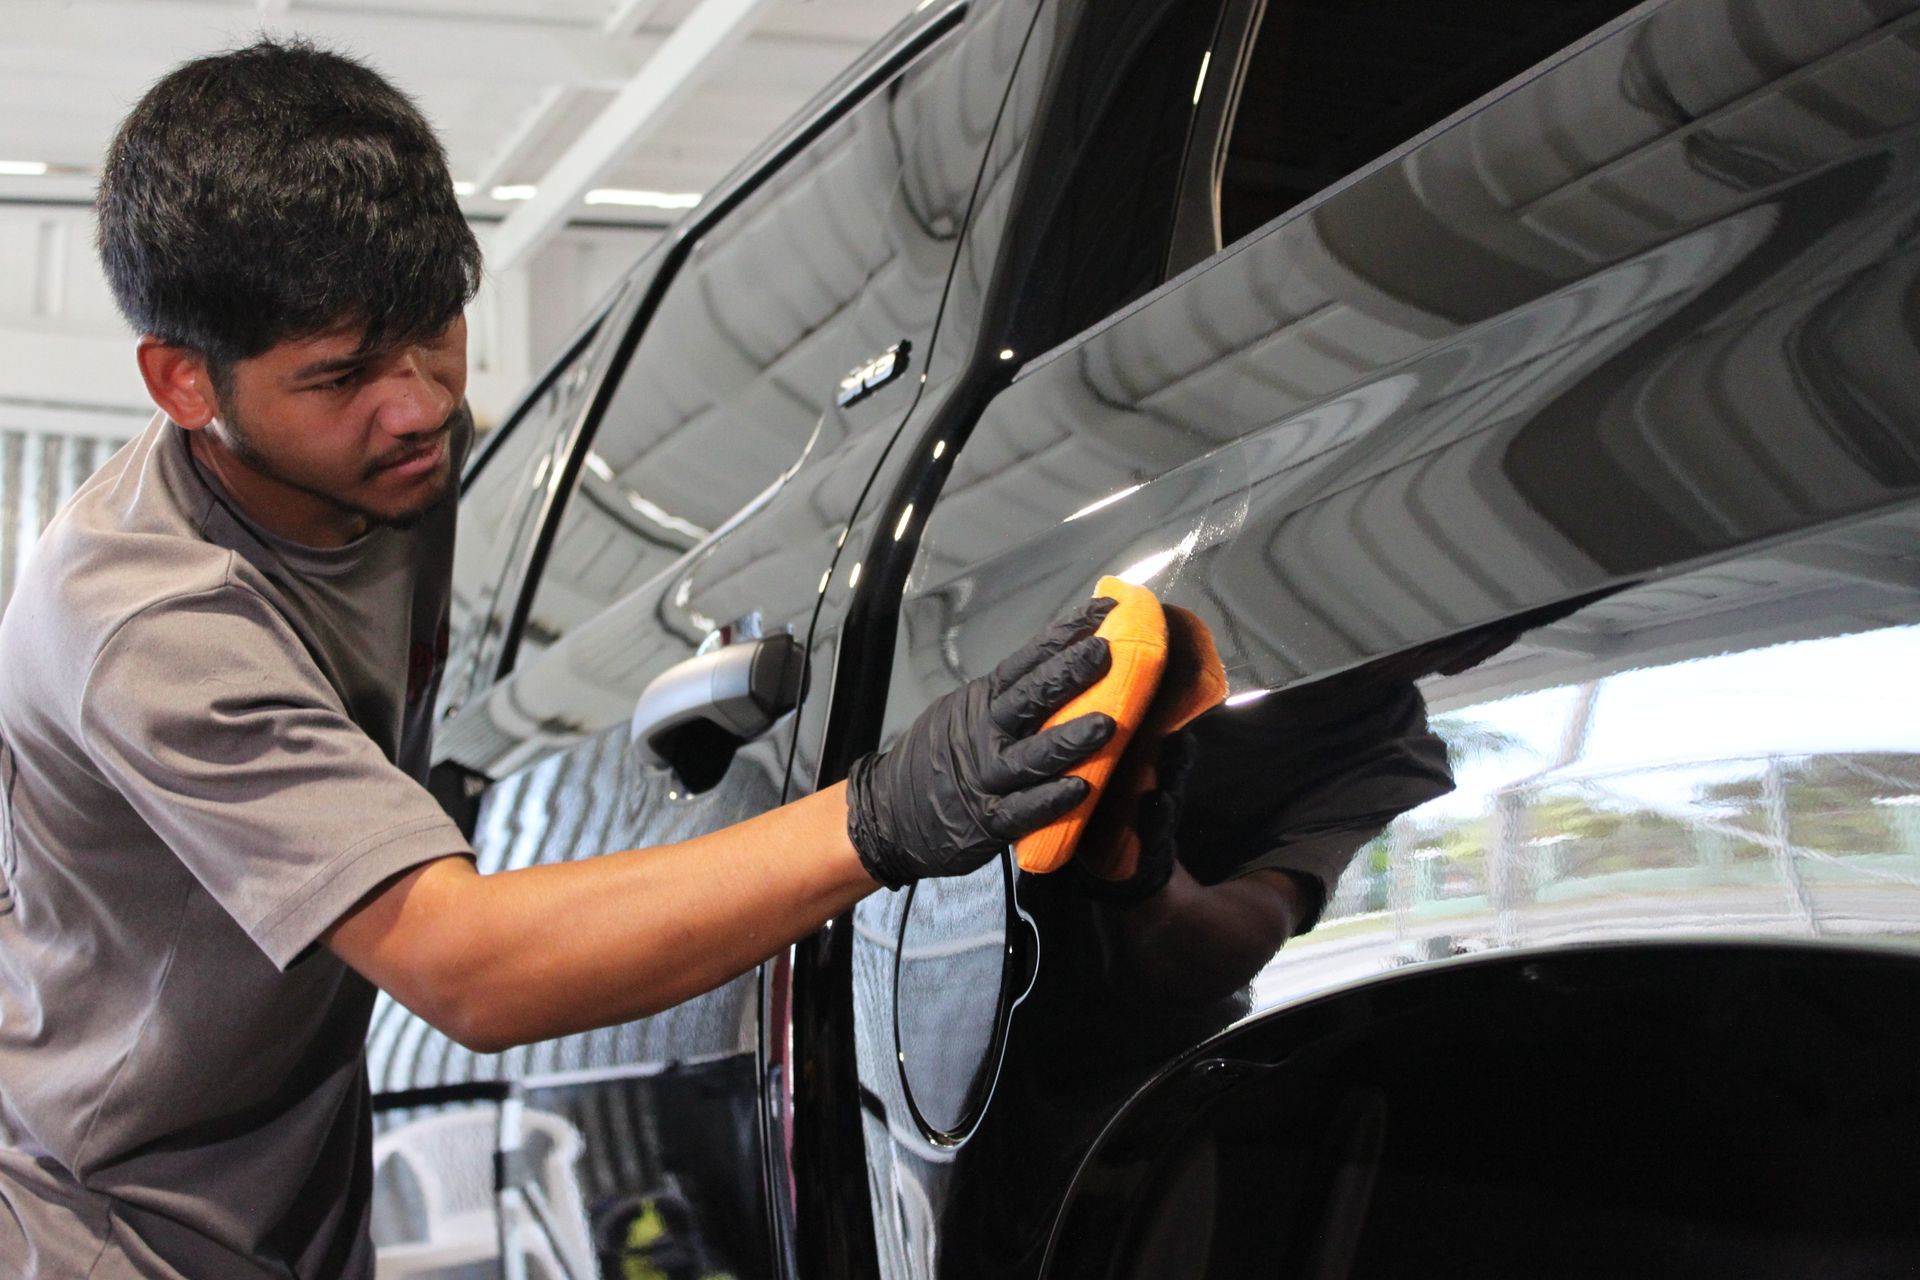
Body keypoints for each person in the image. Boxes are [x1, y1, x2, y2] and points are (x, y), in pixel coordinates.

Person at [0, 39, 1116, 1278]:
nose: (418, 403)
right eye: (341, 375)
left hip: (295, 1196)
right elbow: (467, 968)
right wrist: (886, 814)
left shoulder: (394, 453)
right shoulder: (150, 621)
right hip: (99, 1224)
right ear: (183, 383)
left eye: (434, 330)